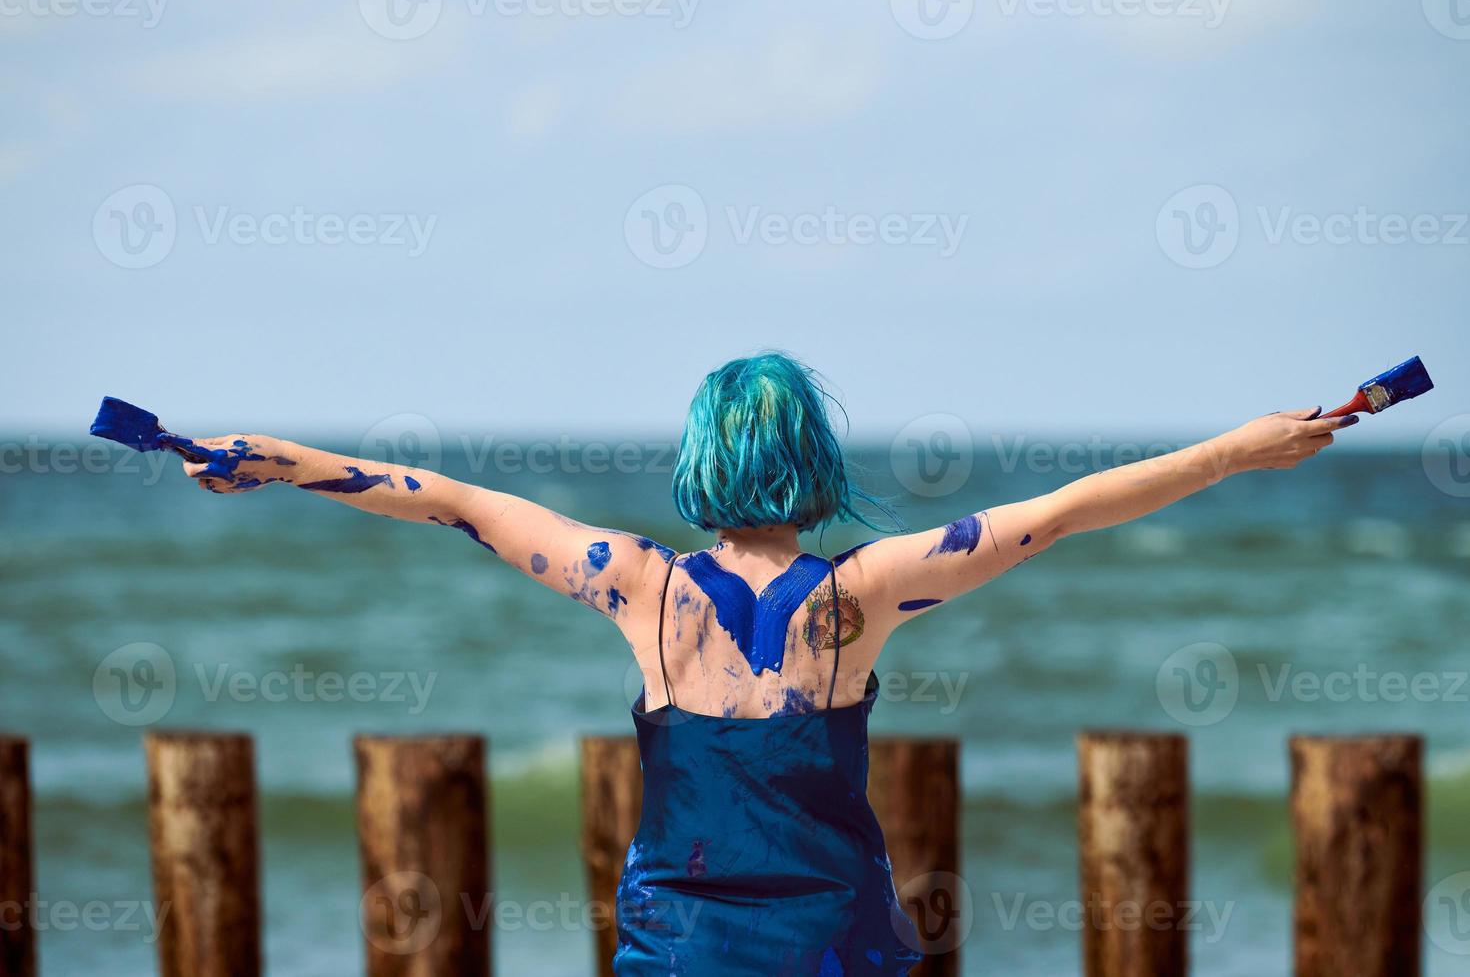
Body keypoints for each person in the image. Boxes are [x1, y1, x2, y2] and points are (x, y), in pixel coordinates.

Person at [183, 350, 1353, 975]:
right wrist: (1243, 450)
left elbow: (450, 499)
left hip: (678, 947)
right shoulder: (865, 591)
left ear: (700, 459)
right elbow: (1064, 511)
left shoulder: (636, 584)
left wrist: (273, 459)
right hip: (835, 940)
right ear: (816, 459)